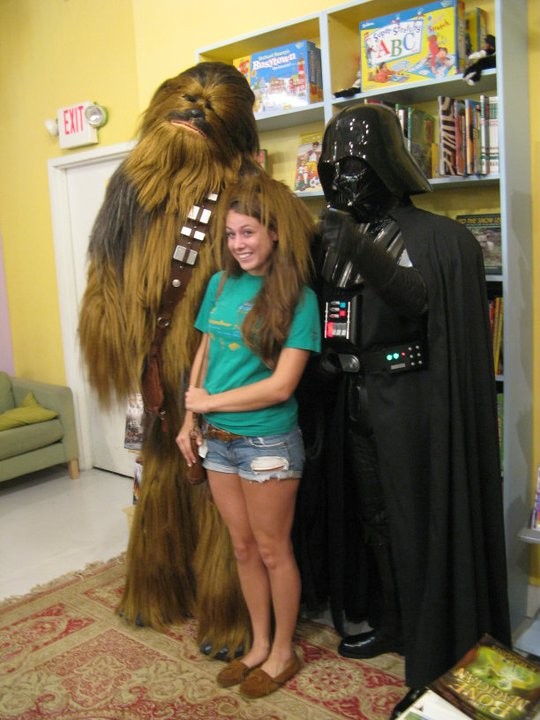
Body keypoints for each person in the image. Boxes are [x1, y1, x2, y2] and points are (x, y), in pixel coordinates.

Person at [295, 103, 511, 719]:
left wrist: (361, 249)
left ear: (387, 167)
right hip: (351, 399)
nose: (340, 182)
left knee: (418, 521)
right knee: (375, 522)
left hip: (413, 405)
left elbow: (418, 300)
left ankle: (430, 634)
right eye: (332, 169)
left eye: (354, 168)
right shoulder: (330, 238)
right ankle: (392, 619)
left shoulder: (438, 237)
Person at [176, 172, 321, 698]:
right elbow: (206, 349)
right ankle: (259, 645)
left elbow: (282, 386)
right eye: (232, 234)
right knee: (241, 548)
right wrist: (190, 419)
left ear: (274, 232)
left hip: (266, 444)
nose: (238, 244)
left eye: (249, 233)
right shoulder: (219, 283)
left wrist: (208, 403)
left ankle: (284, 652)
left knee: (272, 549)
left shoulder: (299, 298)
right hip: (217, 441)